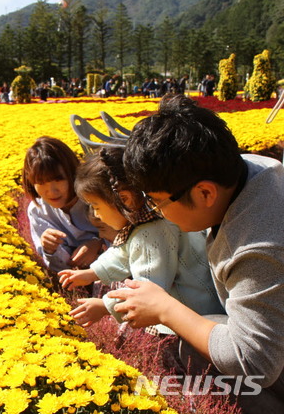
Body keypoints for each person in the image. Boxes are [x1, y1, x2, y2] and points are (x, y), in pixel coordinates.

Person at [109, 94, 284, 413]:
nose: (157, 213)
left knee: (195, 347)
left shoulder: (255, 247)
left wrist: (165, 309)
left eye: (159, 202)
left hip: (268, 359)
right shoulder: (255, 168)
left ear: (205, 192)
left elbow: (254, 361)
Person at [58, 147, 223, 334]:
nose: (96, 214)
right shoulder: (148, 218)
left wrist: (105, 306)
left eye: (96, 206)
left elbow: (147, 289)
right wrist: (92, 273)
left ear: (124, 199)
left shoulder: (150, 233)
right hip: (191, 305)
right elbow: (122, 252)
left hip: (194, 314)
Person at [21, 136, 103, 274]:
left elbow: (128, 238)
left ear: (72, 172)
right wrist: (49, 250)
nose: (51, 191)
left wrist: (99, 244)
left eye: (58, 179)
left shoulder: (94, 196)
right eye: (40, 182)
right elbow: (60, 268)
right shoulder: (38, 211)